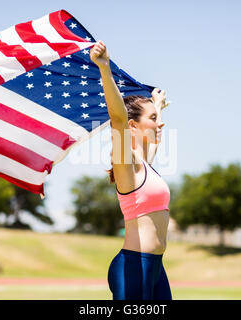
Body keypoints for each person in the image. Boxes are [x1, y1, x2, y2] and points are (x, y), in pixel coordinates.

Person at [90, 40, 172, 300]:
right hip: (134, 268)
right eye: (154, 120)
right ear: (133, 126)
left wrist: (156, 106)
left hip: (156, 268)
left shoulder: (145, 164)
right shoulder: (127, 163)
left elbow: (151, 134)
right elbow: (118, 119)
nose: (161, 124)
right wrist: (104, 68)